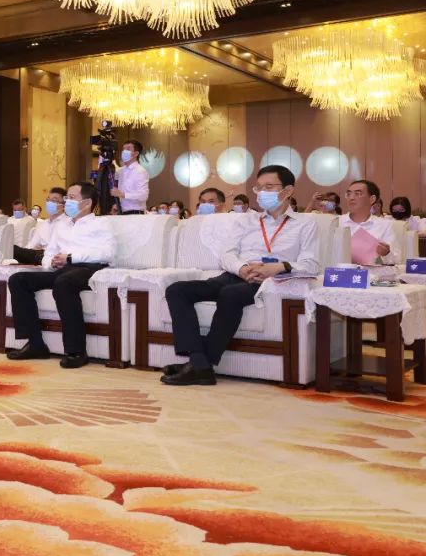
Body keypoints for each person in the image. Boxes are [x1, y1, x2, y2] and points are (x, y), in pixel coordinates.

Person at [162, 165, 319, 386]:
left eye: (269, 187)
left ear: (288, 191)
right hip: (236, 274)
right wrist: (242, 268)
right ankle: (199, 363)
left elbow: (311, 265)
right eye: (259, 187)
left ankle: (199, 366)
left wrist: (278, 267)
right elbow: (226, 254)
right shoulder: (246, 220)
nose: (262, 192)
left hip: (270, 282)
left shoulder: (306, 223)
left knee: (230, 294)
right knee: (177, 290)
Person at [6, 181, 115, 368]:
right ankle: (35, 344)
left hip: (89, 269)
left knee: (64, 283)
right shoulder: (62, 225)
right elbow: (49, 253)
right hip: (62, 269)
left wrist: (71, 257)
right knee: (18, 280)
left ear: (87, 203)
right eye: (66, 198)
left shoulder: (101, 223)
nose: (67, 202)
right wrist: (51, 262)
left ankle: (76, 351)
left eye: (71, 198)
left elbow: (109, 253)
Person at [341, 180, 397, 266]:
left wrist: (386, 254)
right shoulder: (337, 222)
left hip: (372, 273)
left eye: (357, 194)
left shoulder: (385, 225)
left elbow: (396, 259)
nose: (351, 198)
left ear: (372, 199)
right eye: (348, 194)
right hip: (340, 272)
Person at [14, 187, 66, 265]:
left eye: (54, 201)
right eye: (48, 200)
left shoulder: (67, 223)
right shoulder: (43, 224)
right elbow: (31, 245)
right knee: (13, 249)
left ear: (64, 205)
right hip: (38, 255)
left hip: (55, 257)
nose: (49, 203)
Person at [111, 140, 150, 214]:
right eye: (123, 149)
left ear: (136, 153)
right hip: (122, 212)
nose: (124, 151)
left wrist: (123, 194)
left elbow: (143, 195)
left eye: (128, 149)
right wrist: (117, 205)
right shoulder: (120, 171)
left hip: (135, 213)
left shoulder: (140, 171)